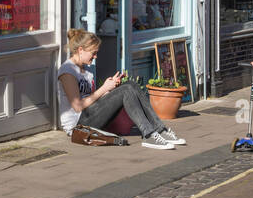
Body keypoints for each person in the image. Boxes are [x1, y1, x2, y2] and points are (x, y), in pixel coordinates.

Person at [57, 28, 185, 150]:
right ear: (80, 50)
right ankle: (148, 135)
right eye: (93, 53)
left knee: (130, 84)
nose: (95, 56)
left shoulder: (87, 70)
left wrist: (109, 90)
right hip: (78, 127)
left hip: (90, 115)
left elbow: (91, 99)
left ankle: (160, 129)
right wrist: (103, 89)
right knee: (126, 90)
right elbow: (78, 106)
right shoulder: (68, 71)